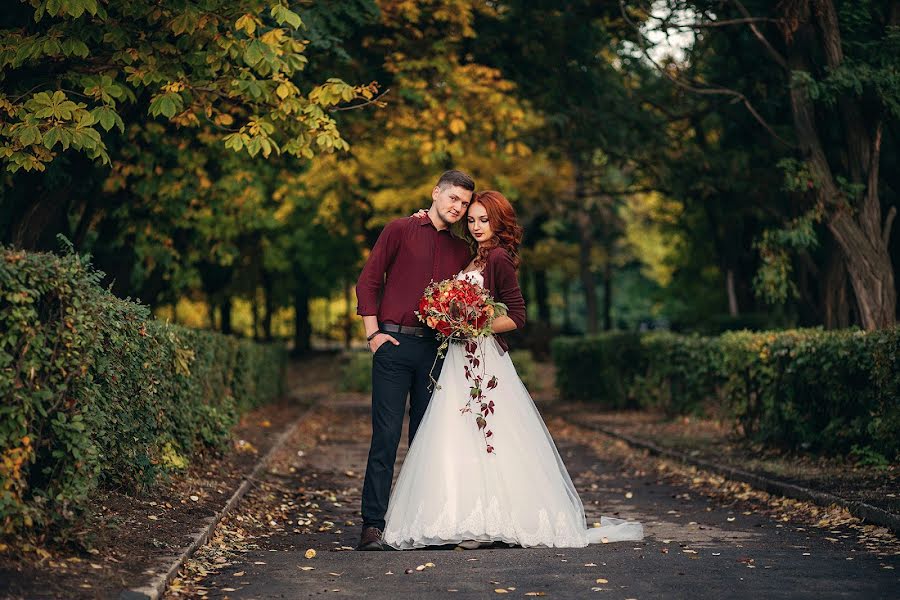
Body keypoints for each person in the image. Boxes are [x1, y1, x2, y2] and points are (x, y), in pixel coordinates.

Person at [381, 191, 644, 549]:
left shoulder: (500, 258)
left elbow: (517, 316)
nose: (475, 226)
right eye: (471, 220)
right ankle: (465, 518)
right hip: (458, 357)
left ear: (498, 221)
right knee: (457, 432)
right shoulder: (471, 257)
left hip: (483, 358)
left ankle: (496, 519)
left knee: (490, 433)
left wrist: (475, 323)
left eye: (483, 220)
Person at [355, 170, 476, 551]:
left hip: (437, 352)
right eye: (453, 198)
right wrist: (373, 335)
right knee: (386, 437)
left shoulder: (462, 251)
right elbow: (369, 281)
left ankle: (423, 522)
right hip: (393, 345)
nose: (458, 207)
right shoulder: (399, 229)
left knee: (427, 439)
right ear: (436, 193)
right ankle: (373, 525)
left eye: (465, 203)